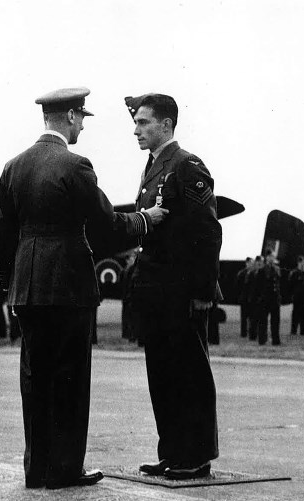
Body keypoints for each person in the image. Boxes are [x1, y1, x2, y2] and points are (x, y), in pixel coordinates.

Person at [0, 87, 166, 489]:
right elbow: (106, 226)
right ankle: (65, 469)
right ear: (70, 117)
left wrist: (12, 284)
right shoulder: (76, 166)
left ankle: (36, 469)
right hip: (69, 285)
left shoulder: (12, 167)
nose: (83, 127)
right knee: (69, 377)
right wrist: (146, 219)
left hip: (28, 288)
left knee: (34, 378)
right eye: (82, 119)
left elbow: (2, 235)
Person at [123, 93, 222, 480]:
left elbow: (207, 231)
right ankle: (172, 450)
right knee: (162, 372)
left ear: (166, 124)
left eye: (144, 122)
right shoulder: (155, 167)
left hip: (182, 291)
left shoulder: (186, 165)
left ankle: (196, 455)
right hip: (157, 291)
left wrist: (202, 290)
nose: (136, 130)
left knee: (189, 372)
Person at [253, 249, 281, 345]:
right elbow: (257, 286)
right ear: (267, 257)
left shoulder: (277, 269)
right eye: (271, 256)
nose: (273, 258)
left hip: (274, 298)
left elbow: (278, 284)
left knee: (275, 321)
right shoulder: (262, 270)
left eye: (274, 256)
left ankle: (276, 340)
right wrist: (260, 297)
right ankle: (262, 339)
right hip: (265, 299)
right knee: (263, 321)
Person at [288, 255, 304, 335]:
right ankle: (294, 330)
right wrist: (291, 295)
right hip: (296, 296)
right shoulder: (294, 273)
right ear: (299, 262)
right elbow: (290, 285)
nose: (303, 263)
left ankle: (303, 331)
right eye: (302, 262)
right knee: (295, 313)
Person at [247, 255, 264, 341]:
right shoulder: (252, 274)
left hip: (261, 298)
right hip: (253, 298)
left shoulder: (262, 273)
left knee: (260, 318)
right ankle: (252, 335)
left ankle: (258, 335)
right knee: (253, 318)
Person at [236, 257, 253, 337]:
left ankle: (251, 331)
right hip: (244, 297)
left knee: (251, 316)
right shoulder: (242, 274)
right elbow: (238, 286)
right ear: (246, 263)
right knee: (244, 317)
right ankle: (243, 333)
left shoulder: (253, 273)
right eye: (250, 263)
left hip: (251, 297)